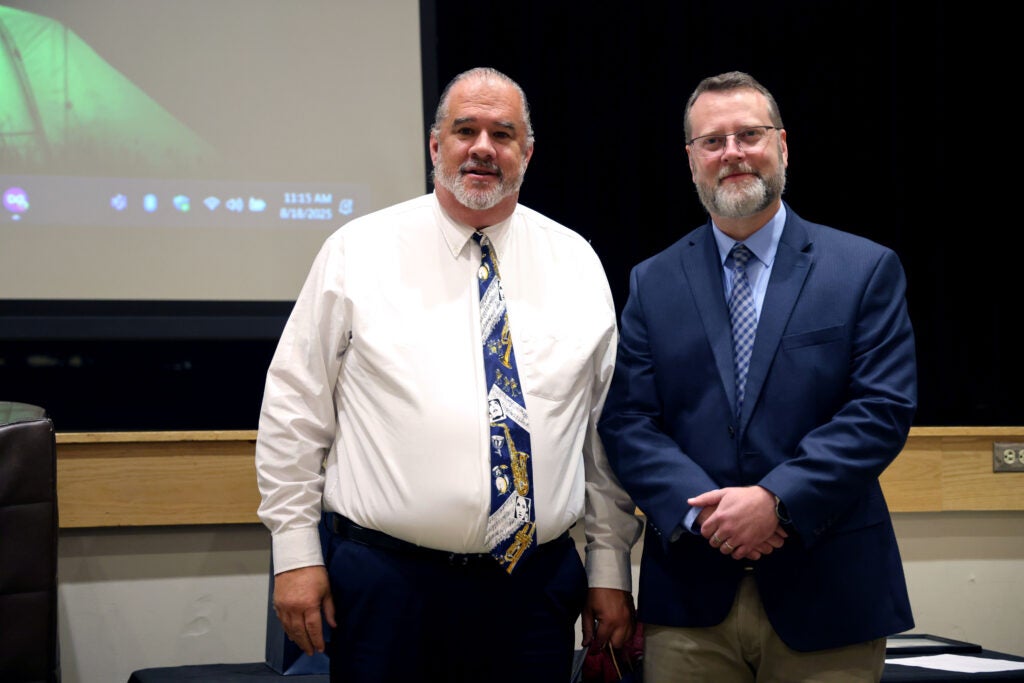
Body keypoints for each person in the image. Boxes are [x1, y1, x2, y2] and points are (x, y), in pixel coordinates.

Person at [254, 66, 643, 683]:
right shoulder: (359, 251)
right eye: (465, 130)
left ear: (528, 152)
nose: (483, 147)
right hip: (386, 584)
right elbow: (294, 411)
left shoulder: (577, 263)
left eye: (502, 133)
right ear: (435, 146)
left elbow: (599, 435)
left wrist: (609, 568)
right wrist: (295, 554)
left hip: (534, 587)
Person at [597, 70, 917, 681]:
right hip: (691, 602)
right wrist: (706, 517)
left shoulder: (863, 269)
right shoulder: (652, 281)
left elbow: (880, 409)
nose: (733, 153)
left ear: (783, 145)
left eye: (749, 134)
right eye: (712, 142)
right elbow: (630, 421)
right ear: (691, 161)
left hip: (829, 595)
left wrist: (777, 501)